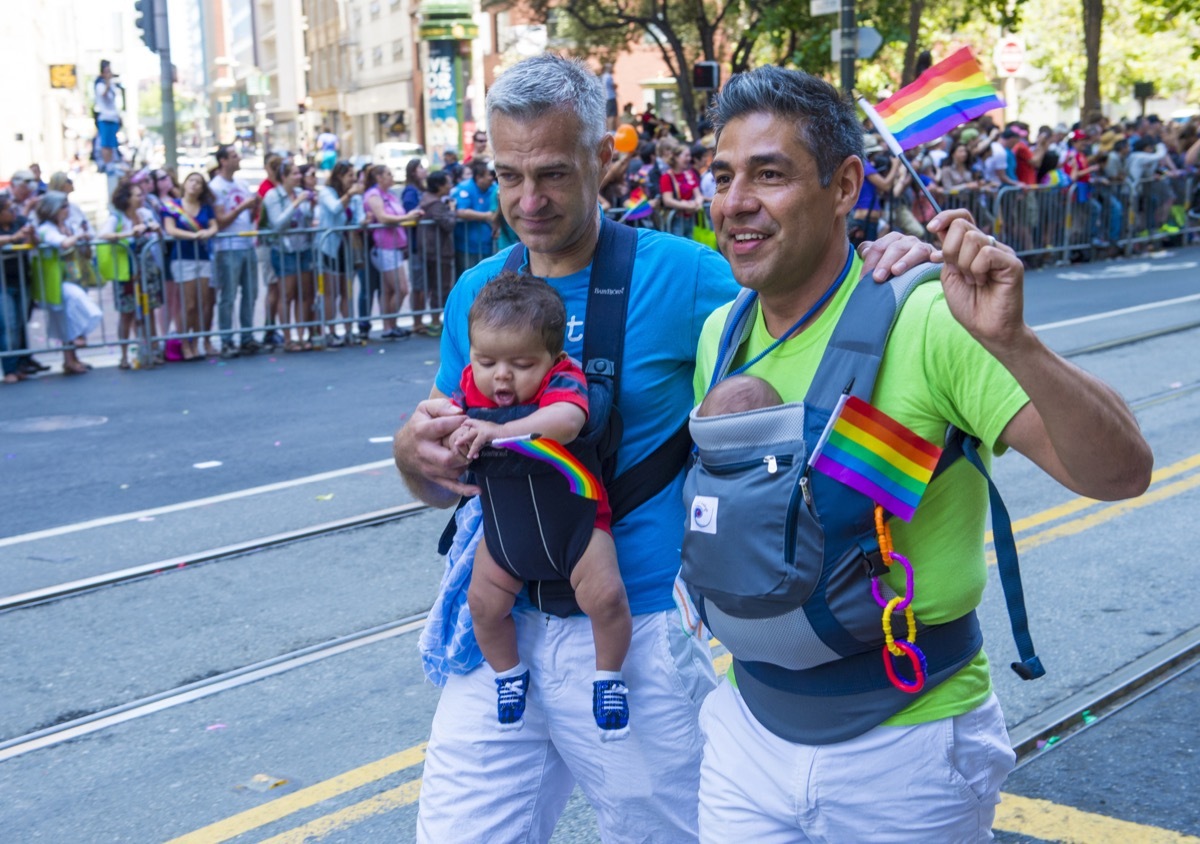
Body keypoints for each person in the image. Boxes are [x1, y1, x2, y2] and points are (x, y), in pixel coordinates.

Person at [392, 52, 937, 843]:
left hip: (636, 633)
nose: (527, 200)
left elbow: (809, 312)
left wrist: (895, 263)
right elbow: (446, 476)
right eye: (507, 175)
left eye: (550, 173)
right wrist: (416, 460)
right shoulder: (478, 293)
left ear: (605, 160)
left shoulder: (688, 277)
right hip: (499, 632)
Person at [689, 64, 1152, 841]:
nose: (737, 202)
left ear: (844, 187)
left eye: (770, 175)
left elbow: (1121, 473)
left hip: (906, 745)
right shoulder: (721, 336)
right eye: (724, 176)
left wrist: (1015, 343)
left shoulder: (930, 318)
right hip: (746, 733)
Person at [448, 270, 633, 738]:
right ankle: (509, 674)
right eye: (486, 360)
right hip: (506, 535)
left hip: (576, 526)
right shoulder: (470, 386)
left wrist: (497, 431)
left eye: (521, 363)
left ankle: (609, 677)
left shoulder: (562, 381)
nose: (501, 376)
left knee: (607, 597)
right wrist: (442, 436)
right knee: (483, 604)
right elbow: (445, 422)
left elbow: (569, 420)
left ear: (554, 357)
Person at [32, 192, 103, 374]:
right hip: (56, 282)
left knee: (67, 320)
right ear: (53, 209)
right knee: (80, 308)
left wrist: (83, 238)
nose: (67, 209)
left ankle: (71, 360)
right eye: (63, 206)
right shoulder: (46, 229)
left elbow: (80, 247)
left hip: (74, 276)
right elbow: (62, 244)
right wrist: (79, 236)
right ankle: (77, 344)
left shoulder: (69, 226)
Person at [98, 180, 163, 369]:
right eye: (137, 195)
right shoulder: (116, 218)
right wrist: (128, 233)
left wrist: (156, 230)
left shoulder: (145, 214)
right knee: (127, 314)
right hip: (126, 272)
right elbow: (103, 235)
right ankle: (124, 355)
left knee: (149, 310)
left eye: (142, 195)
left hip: (146, 270)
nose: (142, 198)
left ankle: (153, 350)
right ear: (127, 198)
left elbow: (159, 235)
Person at [210, 144, 263, 355]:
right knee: (228, 296)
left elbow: (248, 216)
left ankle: (247, 336)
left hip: (247, 244)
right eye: (233, 156)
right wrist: (242, 207)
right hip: (227, 247)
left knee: (251, 293)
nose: (238, 158)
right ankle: (226, 339)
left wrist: (255, 206)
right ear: (223, 160)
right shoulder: (215, 187)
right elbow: (220, 221)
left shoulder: (241, 183)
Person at [160, 172, 218, 361]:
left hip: (202, 257)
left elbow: (214, 226)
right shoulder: (172, 207)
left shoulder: (206, 207)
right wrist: (192, 236)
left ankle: (196, 341)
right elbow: (170, 229)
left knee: (203, 303)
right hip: (183, 257)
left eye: (199, 183)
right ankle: (185, 343)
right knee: (189, 304)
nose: (194, 185)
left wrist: (207, 233)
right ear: (184, 184)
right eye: (191, 180)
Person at [363, 164, 422, 340]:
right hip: (384, 248)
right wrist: (407, 217)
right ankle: (390, 323)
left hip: (395, 247)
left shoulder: (390, 194)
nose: (391, 176)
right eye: (388, 174)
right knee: (401, 288)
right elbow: (383, 217)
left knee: (389, 290)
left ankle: (390, 326)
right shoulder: (373, 195)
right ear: (379, 177)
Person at [262, 159, 316, 352]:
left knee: (303, 294)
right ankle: (288, 338)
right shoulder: (272, 195)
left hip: (303, 248)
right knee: (287, 294)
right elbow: (278, 224)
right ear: (283, 176)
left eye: (298, 173)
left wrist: (311, 207)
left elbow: (307, 221)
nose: (299, 176)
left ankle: (301, 336)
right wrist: (296, 203)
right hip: (284, 251)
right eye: (294, 173)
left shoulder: (299, 194)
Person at [316, 161, 365, 347]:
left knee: (347, 291)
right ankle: (329, 331)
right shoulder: (326, 192)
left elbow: (359, 218)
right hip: (329, 247)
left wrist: (364, 220)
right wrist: (349, 194)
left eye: (354, 175)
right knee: (330, 292)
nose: (353, 179)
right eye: (349, 175)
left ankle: (348, 331)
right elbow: (335, 208)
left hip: (348, 248)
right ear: (339, 176)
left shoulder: (356, 196)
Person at [0, 192, 38, 383]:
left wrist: (30, 236)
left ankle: (20, 364)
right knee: (9, 325)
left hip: (22, 279)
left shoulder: (20, 221)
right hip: (2, 283)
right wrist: (13, 238)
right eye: (8, 209)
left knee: (20, 324)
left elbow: (34, 243)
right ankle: (9, 369)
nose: (13, 212)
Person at [415, 169, 456, 337]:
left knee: (436, 287)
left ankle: (434, 321)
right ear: (439, 186)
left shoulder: (427, 200)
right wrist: (452, 210)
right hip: (438, 252)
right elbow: (449, 224)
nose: (450, 186)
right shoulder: (437, 204)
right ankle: (435, 322)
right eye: (447, 182)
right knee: (440, 287)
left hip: (430, 250)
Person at [452, 159, 497, 271]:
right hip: (467, 246)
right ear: (478, 177)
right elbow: (461, 212)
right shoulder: (464, 188)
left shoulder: (494, 188)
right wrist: (486, 216)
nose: (492, 177)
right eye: (489, 175)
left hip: (488, 245)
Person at [659, 143, 704, 239]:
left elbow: (698, 194)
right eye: (686, 155)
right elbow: (667, 200)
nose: (689, 159)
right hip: (676, 220)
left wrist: (697, 203)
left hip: (691, 219)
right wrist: (687, 205)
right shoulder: (666, 177)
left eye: (689, 156)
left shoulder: (690, 174)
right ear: (676, 157)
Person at [94, 60, 122, 173]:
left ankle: (111, 163)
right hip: (105, 117)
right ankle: (107, 165)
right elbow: (103, 94)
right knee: (105, 143)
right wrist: (107, 81)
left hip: (113, 117)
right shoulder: (99, 84)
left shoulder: (113, 84)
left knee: (111, 143)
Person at [600, 63, 618, 131]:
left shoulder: (602, 76)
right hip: (611, 97)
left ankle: (608, 130)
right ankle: (611, 131)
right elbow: (613, 86)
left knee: (608, 115)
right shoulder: (609, 76)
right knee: (612, 116)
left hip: (606, 98)